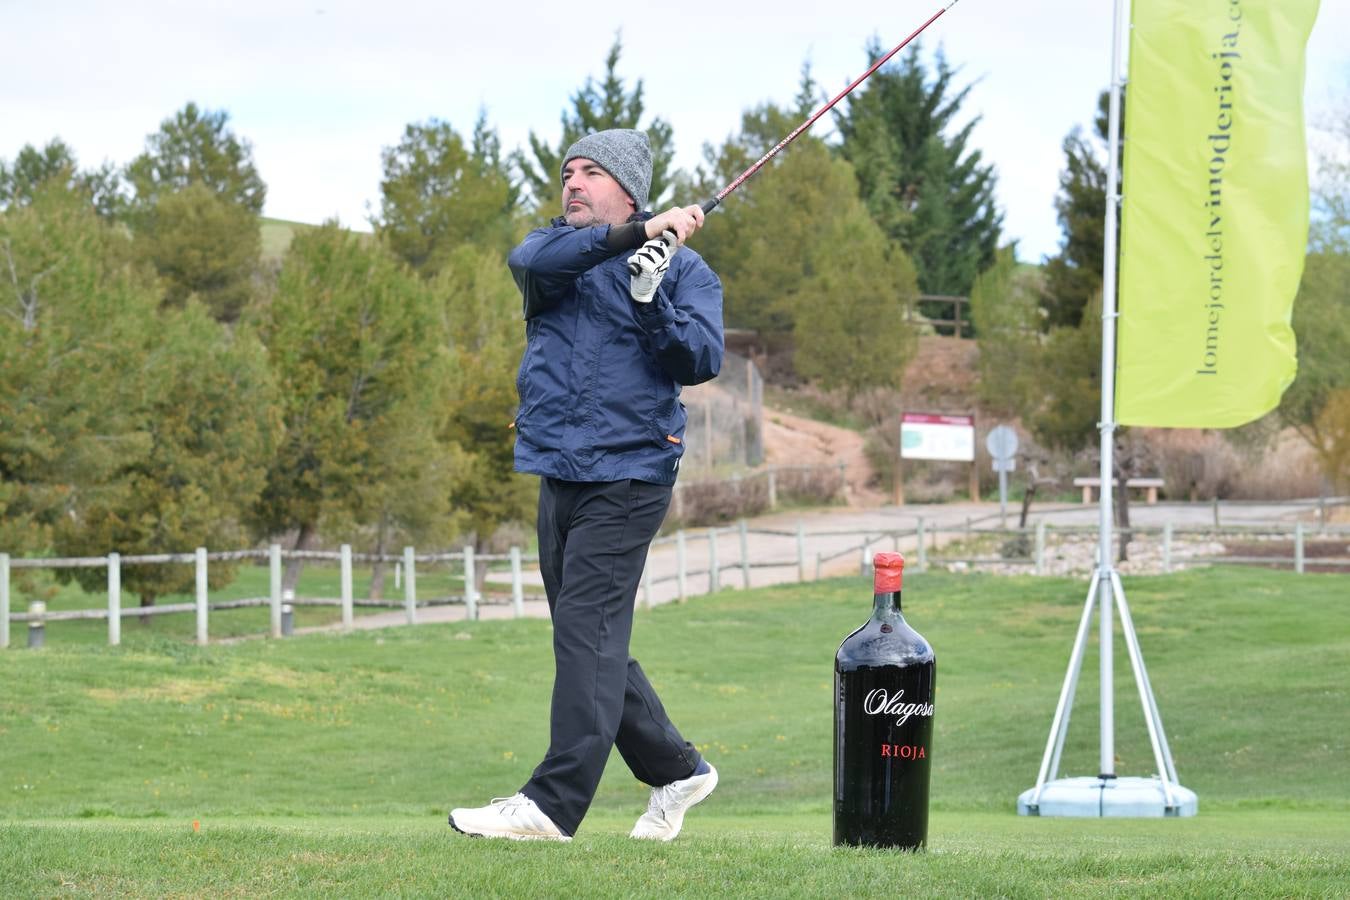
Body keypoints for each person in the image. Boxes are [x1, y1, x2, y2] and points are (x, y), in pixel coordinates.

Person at [449, 129, 724, 842]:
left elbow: (698, 358)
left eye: (591, 172)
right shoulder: (553, 256)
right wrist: (633, 238)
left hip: (631, 471)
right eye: (568, 171)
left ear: (628, 187)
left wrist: (651, 292)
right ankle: (677, 769)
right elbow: (529, 260)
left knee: (585, 631)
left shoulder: (687, 272)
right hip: (560, 470)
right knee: (590, 636)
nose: (572, 181)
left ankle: (552, 804)